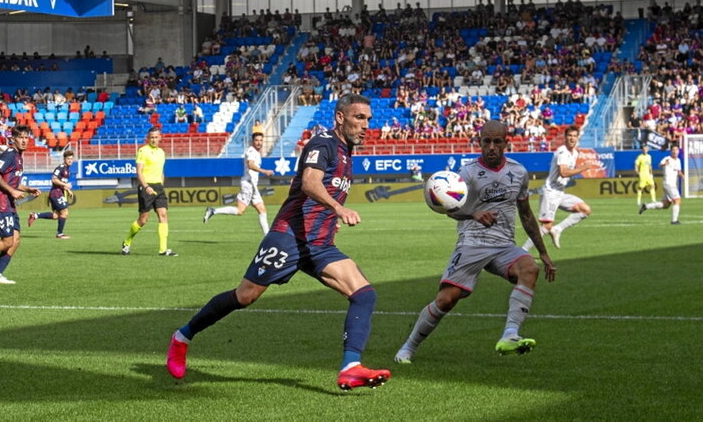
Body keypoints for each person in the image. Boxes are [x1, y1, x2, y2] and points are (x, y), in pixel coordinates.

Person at [167, 94, 391, 390]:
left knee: (364, 294)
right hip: (289, 236)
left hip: (319, 244)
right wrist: (338, 209)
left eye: (368, 119)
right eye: (359, 118)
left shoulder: (347, 152)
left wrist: (329, 219)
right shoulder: (323, 144)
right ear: (340, 117)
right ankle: (182, 337)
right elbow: (310, 183)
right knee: (245, 296)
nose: (366, 125)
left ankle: (350, 367)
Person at [394, 120, 556, 363]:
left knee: (529, 269)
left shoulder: (519, 172)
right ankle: (408, 347)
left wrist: (543, 252)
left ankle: (510, 334)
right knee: (446, 299)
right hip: (472, 243)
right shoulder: (467, 174)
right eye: (486, 141)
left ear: (506, 143)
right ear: (479, 142)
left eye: (497, 142)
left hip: (503, 245)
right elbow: (450, 210)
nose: (491, 147)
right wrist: (473, 213)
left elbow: (526, 214)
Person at [0, 125, 41, 284]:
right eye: (21, 137)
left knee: (16, 240)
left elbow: (11, 182)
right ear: (13, 139)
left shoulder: (19, 156)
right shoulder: (10, 154)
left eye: (26, 138)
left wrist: (28, 188)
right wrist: (12, 192)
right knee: (7, 241)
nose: (24, 141)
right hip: (1, 202)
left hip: (9, 204)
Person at [521, 125, 595, 251]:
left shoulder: (575, 152)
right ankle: (522, 251)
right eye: (569, 136)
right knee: (546, 226)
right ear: (565, 138)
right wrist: (584, 168)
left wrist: (580, 167)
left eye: (574, 136)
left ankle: (558, 229)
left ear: (578, 138)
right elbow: (564, 172)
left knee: (585, 210)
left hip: (560, 192)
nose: (572, 138)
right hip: (550, 193)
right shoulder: (562, 151)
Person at [203, 132, 274, 235]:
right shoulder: (251, 151)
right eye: (257, 140)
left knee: (262, 210)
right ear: (252, 141)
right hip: (248, 185)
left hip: (252, 185)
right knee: (241, 210)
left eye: (261, 140)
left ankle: (268, 238)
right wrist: (265, 171)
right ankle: (213, 211)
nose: (259, 142)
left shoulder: (256, 153)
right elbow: (250, 165)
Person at [121, 127, 176, 256]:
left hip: (158, 187)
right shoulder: (143, 151)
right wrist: (146, 186)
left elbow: (161, 171)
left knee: (163, 215)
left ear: (160, 138)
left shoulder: (161, 152)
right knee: (143, 220)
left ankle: (163, 249)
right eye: (151, 137)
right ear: (148, 138)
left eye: (156, 137)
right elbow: (139, 171)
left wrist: (161, 185)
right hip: (146, 187)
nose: (154, 139)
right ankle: (127, 241)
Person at [28, 150, 75, 239]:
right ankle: (60, 234)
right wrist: (65, 185)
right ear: (64, 159)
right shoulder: (60, 168)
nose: (70, 160)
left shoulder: (67, 170)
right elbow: (54, 179)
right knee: (65, 212)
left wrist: (68, 190)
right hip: (56, 193)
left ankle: (35, 215)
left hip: (58, 192)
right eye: (68, 158)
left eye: (71, 159)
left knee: (56, 215)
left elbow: (61, 183)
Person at [639, 144, 684, 224]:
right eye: (673, 150)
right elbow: (660, 164)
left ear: (678, 151)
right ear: (671, 151)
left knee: (665, 205)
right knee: (677, 200)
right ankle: (674, 221)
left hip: (671, 184)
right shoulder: (667, 158)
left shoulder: (678, 161)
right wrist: (664, 164)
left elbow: (678, 171)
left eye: (676, 150)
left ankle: (646, 206)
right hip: (668, 183)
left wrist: (683, 176)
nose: (675, 151)